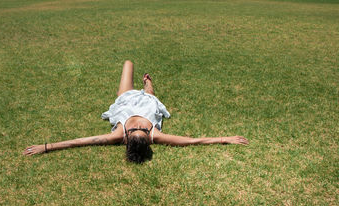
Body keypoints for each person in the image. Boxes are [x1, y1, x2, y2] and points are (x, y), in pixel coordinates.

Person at [23, 60, 249, 163]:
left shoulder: (117, 135)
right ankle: (148, 83)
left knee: (127, 63)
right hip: (148, 104)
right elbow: (192, 141)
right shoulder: (155, 135)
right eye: (142, 130)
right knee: (150, 94)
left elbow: (79, 141)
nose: (140, 126)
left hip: (126, 102)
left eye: (137, 130)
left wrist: (47, 147)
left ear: (128, 138)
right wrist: (224, 139)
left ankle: (144, 83)